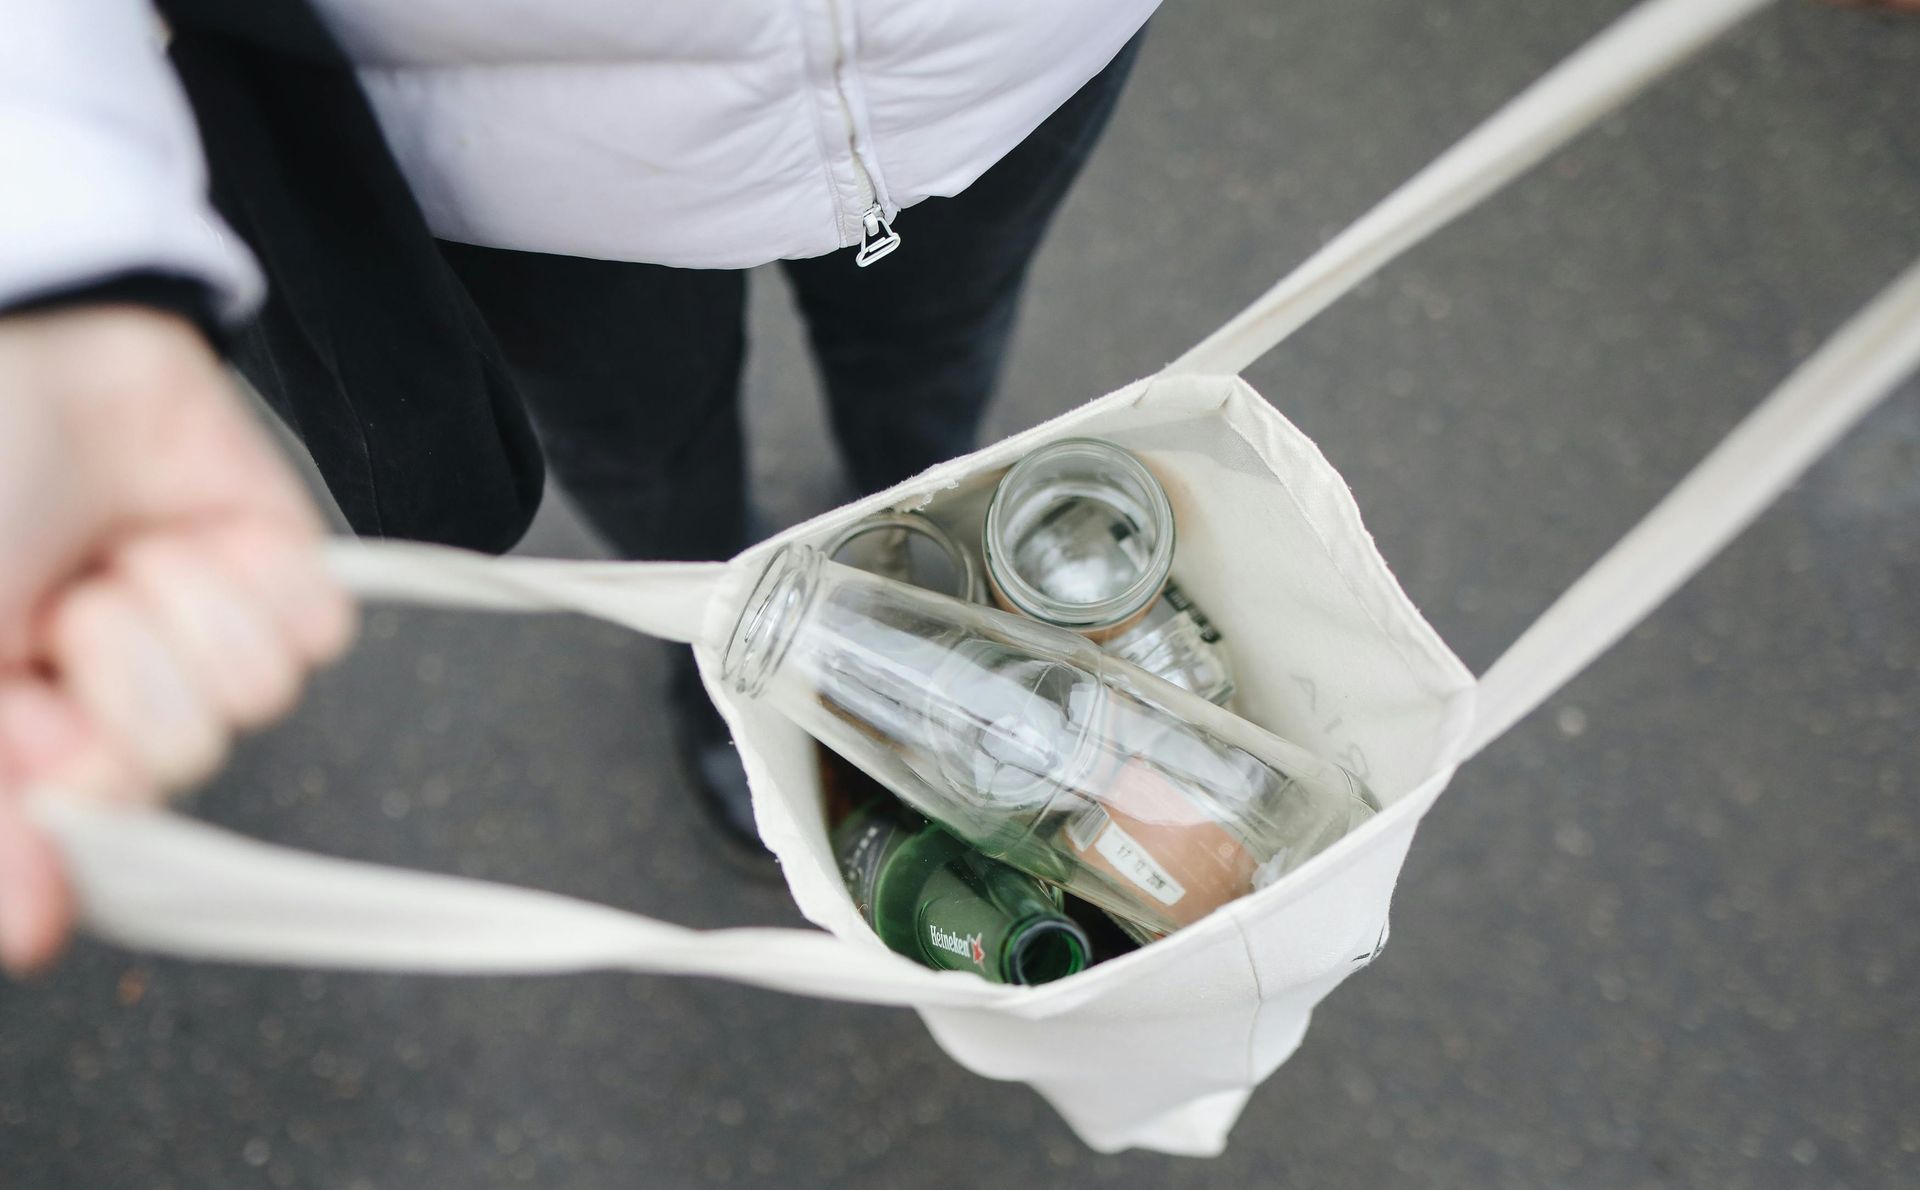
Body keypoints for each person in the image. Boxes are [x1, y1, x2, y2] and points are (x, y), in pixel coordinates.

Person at [0, 0, 1155, 972]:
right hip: (524, 144)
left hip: (1005, 57)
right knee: (649, 458)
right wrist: (57, 237)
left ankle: (928, 552)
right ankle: (718, 636)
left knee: (936, 373)